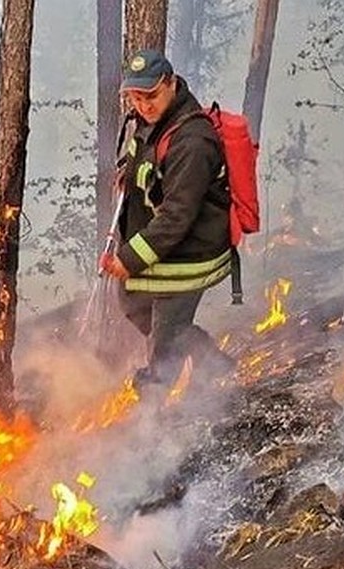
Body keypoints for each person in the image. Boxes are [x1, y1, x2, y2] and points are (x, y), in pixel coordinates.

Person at [101, 48, 236, 403]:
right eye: (135, 97)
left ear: (171, 84)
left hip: (189, 256)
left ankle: (152, 418)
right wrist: (129, 178)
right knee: (132, 302)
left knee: (165, 342)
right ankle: (209, 359)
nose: (143, 105)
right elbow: (147, 165)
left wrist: (128, 259)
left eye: (151, 96)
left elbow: (177, 215)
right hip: (166, 249)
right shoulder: (151, 122)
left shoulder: (193, 141)